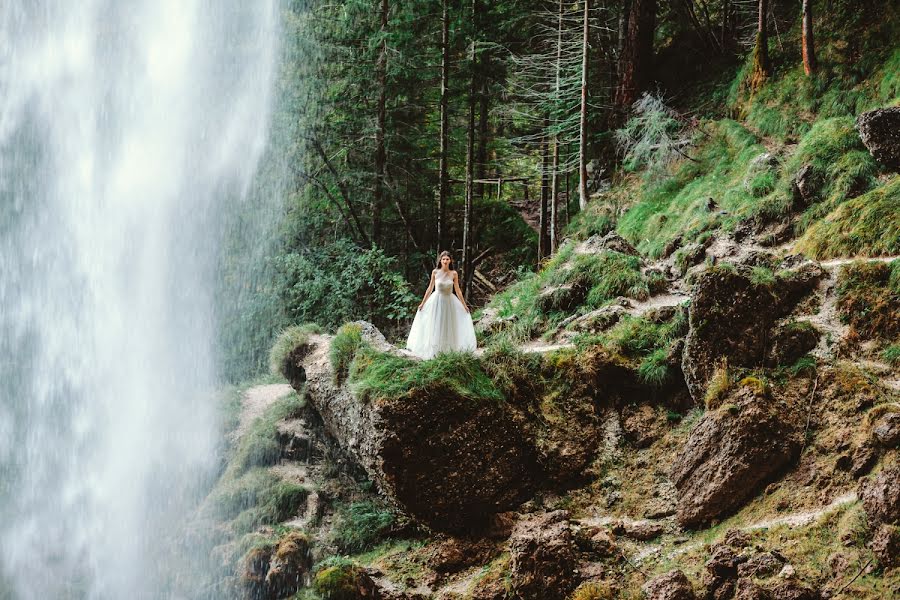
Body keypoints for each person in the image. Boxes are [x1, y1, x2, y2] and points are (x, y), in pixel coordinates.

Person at [406, 251, 477, 359]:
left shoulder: (454, 274)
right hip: (436, 301)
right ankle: (434, 350)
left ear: (450, 261)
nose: (445, 261)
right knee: (435, 324)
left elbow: (457, 290)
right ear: (440, 260)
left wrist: (464, 305)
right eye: (443, 259)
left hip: (449, 302)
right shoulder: (435, 272)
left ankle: (447, 350)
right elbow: (430, 288)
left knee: (448, 325)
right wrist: (423, 303)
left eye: (447, 259)